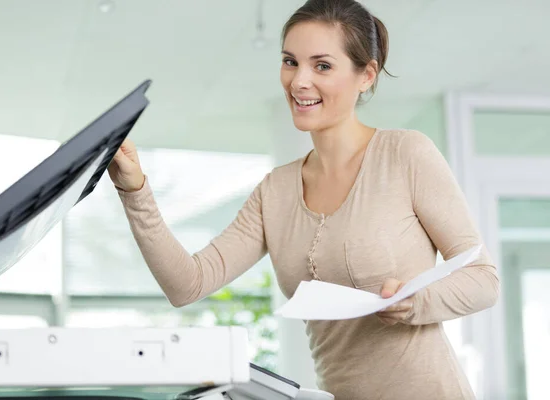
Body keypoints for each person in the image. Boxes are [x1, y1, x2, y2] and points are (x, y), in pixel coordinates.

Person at [108, 0, 499, 398]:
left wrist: (416, 302)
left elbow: (485, 280)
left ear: (366, 75)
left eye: (322, 66)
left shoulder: (405, 154)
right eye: (290, 62)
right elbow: (187, 285)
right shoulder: (275, 191)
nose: (299, 81)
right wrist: (135, 190)